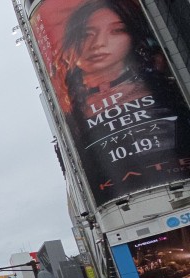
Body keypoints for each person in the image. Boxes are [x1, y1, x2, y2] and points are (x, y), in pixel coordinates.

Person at [52, 0, 190, 204]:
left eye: (116, 31)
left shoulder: (166, 91)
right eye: (86, 34)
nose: (98, 43)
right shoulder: (69, 112)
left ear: (132, 37)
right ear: (72, 41)